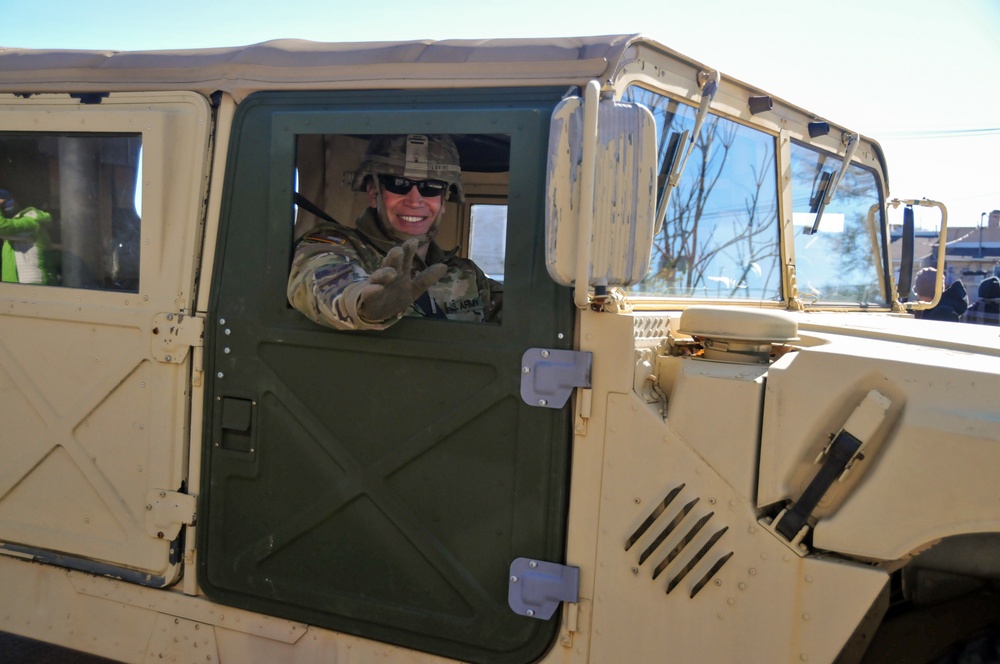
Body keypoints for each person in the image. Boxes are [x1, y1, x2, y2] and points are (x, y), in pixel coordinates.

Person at [287, 134, 502, 331]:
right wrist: (365, 304)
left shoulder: (467, 274)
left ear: (443, 200)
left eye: (431, 187)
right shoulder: (332, 246)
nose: (414, 200)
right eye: (399, 184)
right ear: (374, 193)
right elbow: (321, 282)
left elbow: (524, 318)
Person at [0, 189, 55, 285]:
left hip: (33, 285)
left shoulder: (31, 222)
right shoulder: (16, 225)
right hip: (14, 283)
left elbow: (2, 226)